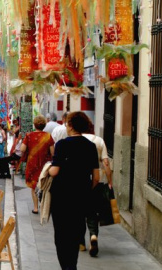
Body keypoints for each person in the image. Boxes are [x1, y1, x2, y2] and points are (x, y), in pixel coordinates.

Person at [48, 111, 100, 270]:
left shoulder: (62, 144)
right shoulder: (90, 146)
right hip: (81, 197)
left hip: (61, 198)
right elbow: (96, 177)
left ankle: (67, 267)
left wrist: (48, 169)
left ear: (70, 126)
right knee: (75, 234)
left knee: (61, 236)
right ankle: (72, 265)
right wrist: (85, 189)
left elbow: (54, 171)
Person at [82, 123, 113, 256]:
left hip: (80, 182)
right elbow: (106, 163)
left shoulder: (77, 140)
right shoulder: (99, 141)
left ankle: (80, 243)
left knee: (79, 212)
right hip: (98, 181)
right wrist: (110, 181)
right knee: (93, 212)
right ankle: (93, 236)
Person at [20, 115, 55, 214]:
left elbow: (22, 149)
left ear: (34, 125)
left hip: (32, 163)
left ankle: (35, 208)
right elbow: (53, 152)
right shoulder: (48, 136)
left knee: (34, 186)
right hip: (45, 165)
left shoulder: (29, 136)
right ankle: (43, 206)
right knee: (44, 185)